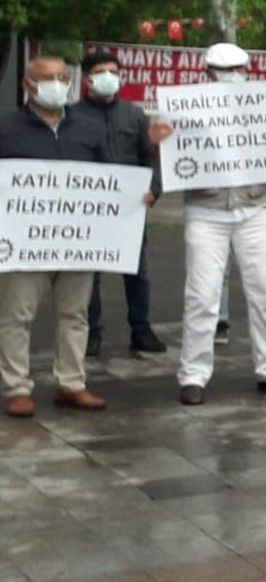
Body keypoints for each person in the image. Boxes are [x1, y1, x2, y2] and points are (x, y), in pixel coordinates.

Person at [173, 42, 266, 405]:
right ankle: (193, 375)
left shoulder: (265, 108)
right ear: (206, 72)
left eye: (236, 70)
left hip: (255, 209)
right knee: (201, 296)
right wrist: (161, 141)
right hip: (206, 210)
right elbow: (175, 159)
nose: (230, 77)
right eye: (221, 71)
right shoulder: (187, 110)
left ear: (247, 70)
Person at [1, 54, 115, 417]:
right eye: (47, 78)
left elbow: (110, 179)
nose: (57, 84)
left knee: (75, 313)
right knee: (17, 315)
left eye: (63, 78)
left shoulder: (89, 129)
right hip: (23, 242)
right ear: (27, 86)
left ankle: (72, 383)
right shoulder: (5, 128)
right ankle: (17, 387)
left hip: (77, 241)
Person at [77, 49, 165, 356]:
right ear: (87, 79)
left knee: (137, 271)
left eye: (113, 71)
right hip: (88, 211)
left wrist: (154, 190)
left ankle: (141, 330)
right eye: (101, 72)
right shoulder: (72, 116)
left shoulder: (135, 115)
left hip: (130, 209)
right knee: (90, 275)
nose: (108, 78)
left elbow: (150, 158)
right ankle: (91, 333)